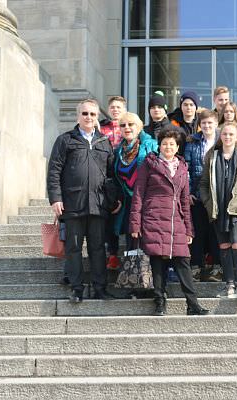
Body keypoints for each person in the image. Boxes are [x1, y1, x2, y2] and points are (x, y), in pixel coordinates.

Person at [130, 127, 209, 316]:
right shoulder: (148, 165)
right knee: (158, 263)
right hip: (154, 219)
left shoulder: (182, 168)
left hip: (176, 222)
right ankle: (159, 301)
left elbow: (184, 201)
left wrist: (189, 230)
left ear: (177, 147)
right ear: (159, 146)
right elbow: (138, 195)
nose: (168, 147)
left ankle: (192, 304)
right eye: (164, 143)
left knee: (183, 262)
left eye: (171, 144)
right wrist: (135, 223)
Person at [47, 99, 120, 302]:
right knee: (74, 248)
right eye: (85, 113)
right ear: (78, 116)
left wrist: (114, 200)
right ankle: (77, 289)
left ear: (98, 117)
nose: (89, 117)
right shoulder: (65, 140)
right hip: (72, 204)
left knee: (98, 249)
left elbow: (112, 174)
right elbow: (54, 171)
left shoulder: (104, 142)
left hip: (98, 204)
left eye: (93, 114)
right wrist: (55, 198)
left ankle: (100, 289)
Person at [200, 122, 237, 306]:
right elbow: (203, 184)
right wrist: (208, 202)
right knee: (224, 246)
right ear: (220, 136)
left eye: (231, 134)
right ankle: (229, 285)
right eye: (224, 134)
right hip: (218, 209)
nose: (227, 137)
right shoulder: (212, 156)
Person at [184, 109, 222, 282]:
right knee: (198, 232)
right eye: (204, 123)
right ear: (200, 125)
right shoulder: (193, 143)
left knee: (216, 232)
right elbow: (187, 169)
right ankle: (196, 267)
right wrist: (189, 191)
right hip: (198, 195)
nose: (207, 126)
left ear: (216, 124)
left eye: (210, 123)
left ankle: (216, 268)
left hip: (218, 196)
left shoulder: (222, 141)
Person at [113, 112, 158, 251]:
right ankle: (133, 271)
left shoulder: (151, 145)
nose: (127, 127)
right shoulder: (118, 150)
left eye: (130, 124)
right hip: (128, 202)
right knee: (131, 241)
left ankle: (152, 271)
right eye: (123, 125)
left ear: (139, 127)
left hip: (148, 200)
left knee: (150, 240)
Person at [99, 95, 127, 270]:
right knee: (110, 216)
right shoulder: (101, 128)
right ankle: (112, 254)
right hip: (107, 176)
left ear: (124, 109)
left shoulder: (129, 126)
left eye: (119, 107)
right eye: (113, 107)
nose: (115, 109)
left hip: (125, 175)